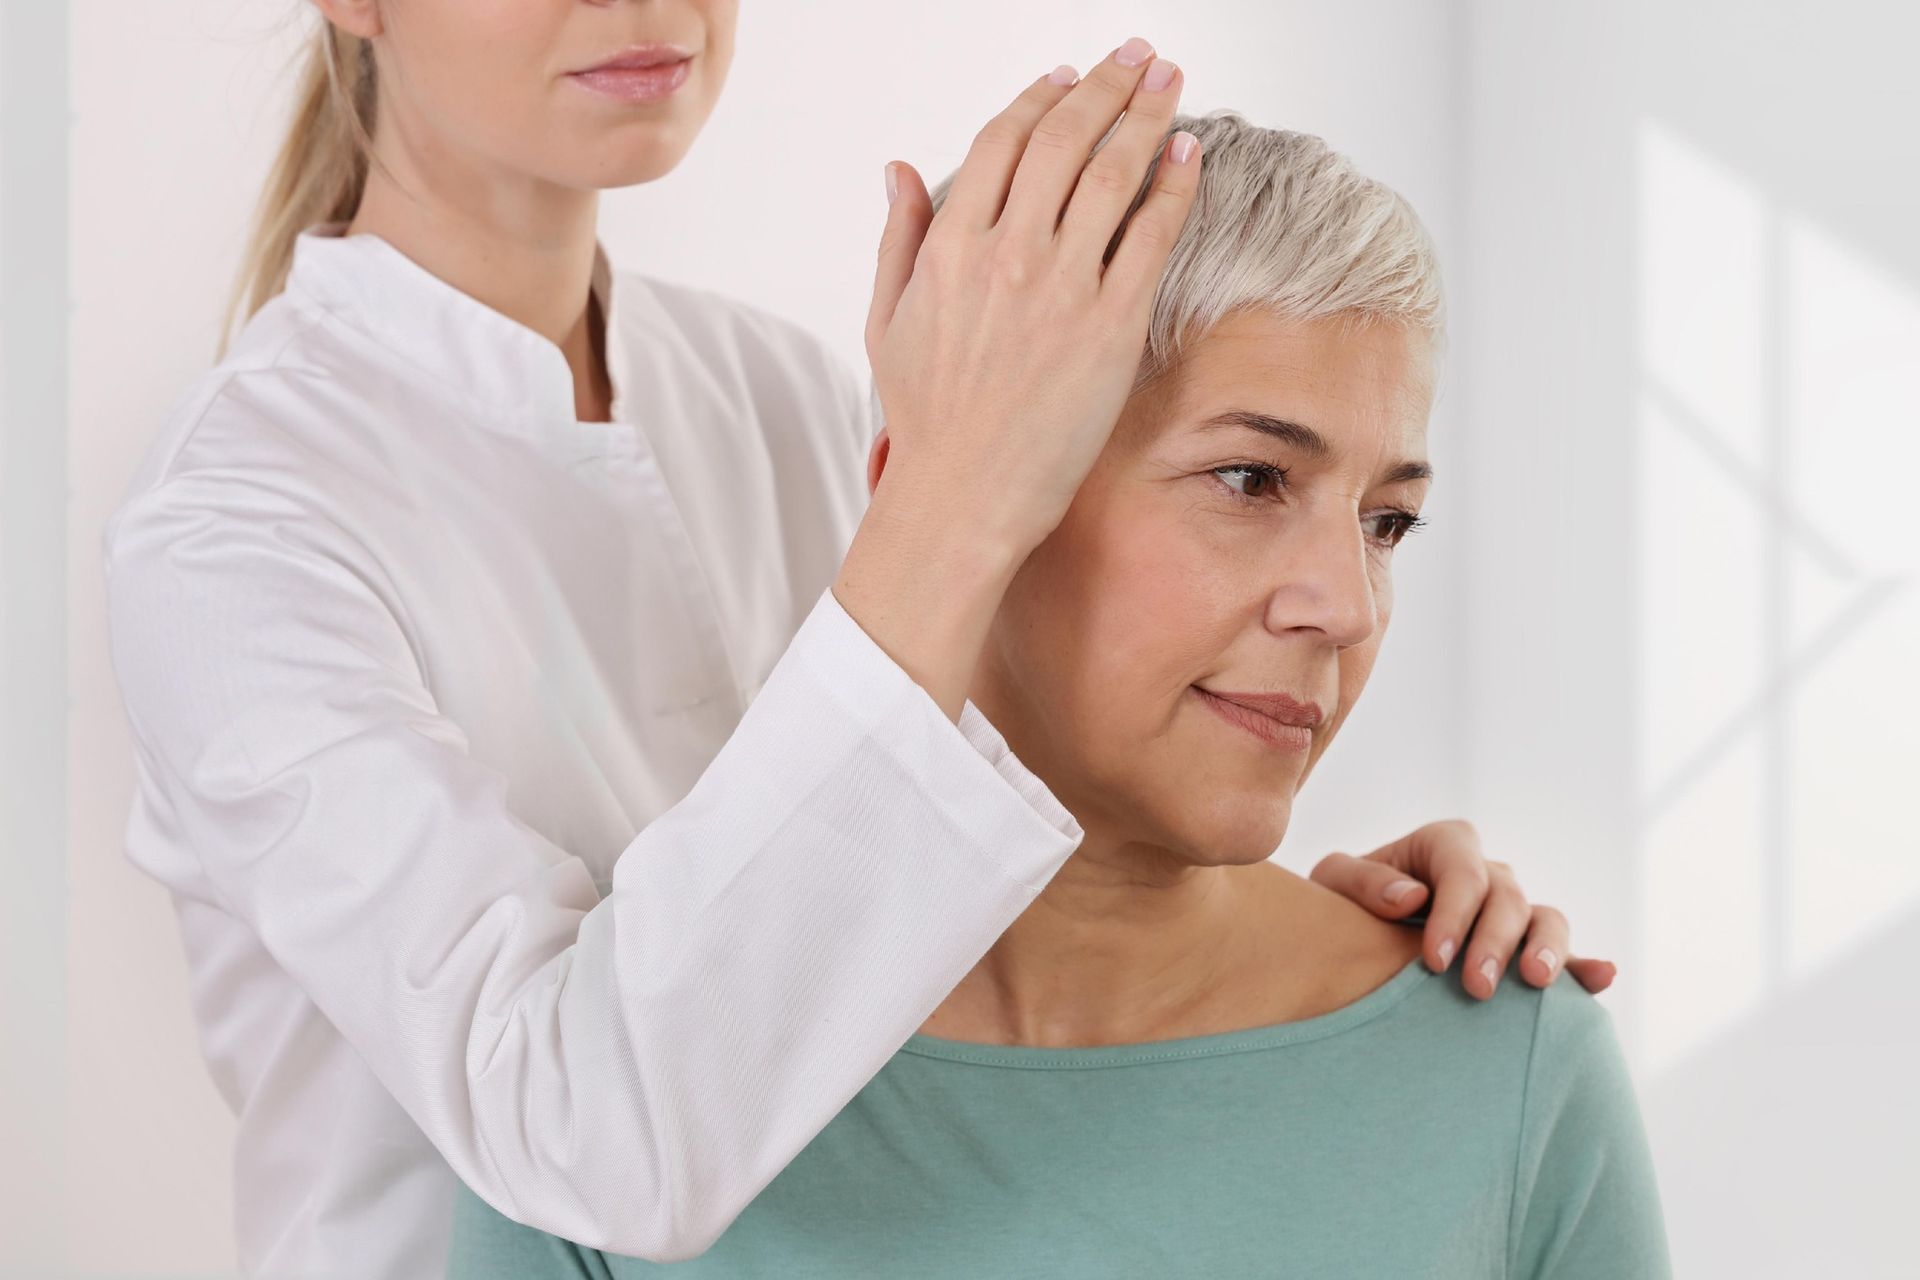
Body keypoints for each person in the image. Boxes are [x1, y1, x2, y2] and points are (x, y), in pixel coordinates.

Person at [99, 3, 1615, 1276]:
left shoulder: (765, 389)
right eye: (1254, 477)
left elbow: (999, 788)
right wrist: (958, 483)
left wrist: (1323, 955)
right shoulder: (237, 532)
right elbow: (593, 1137)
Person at [444, 109, 1672, 1277]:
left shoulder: (1505, 1066)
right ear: (952, 490)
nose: (1344, 606)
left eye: (1387, 520)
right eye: (1250, 478)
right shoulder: (618, 1060)